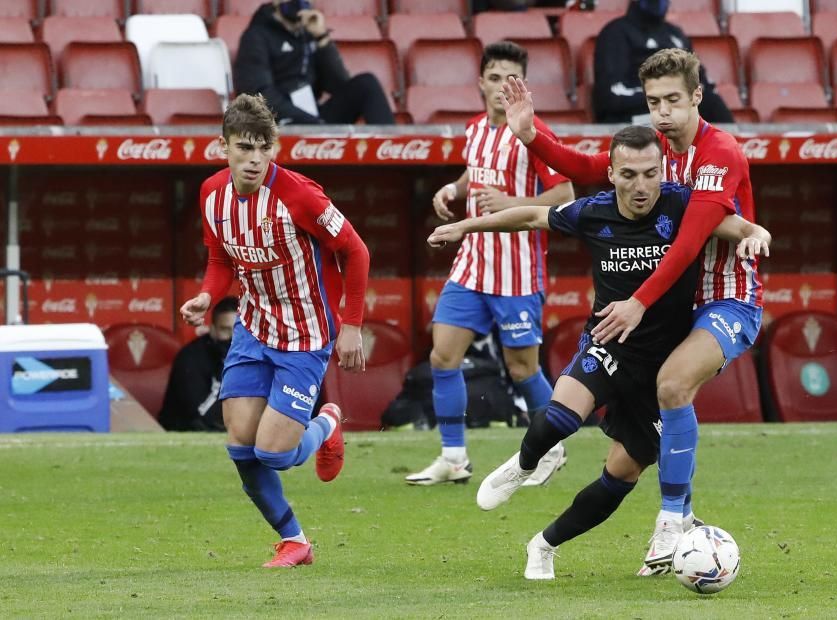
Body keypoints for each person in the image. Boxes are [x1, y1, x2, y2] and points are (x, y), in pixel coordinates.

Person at [427, 126, 769, 580]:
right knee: (562, 416)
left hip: (660, 368)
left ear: (662, 171)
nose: (640, 185)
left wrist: (754, 232)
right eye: (628, 174)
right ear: (611, 174)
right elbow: (531, 217)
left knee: (620, 477)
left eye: (650, 173)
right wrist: (464, 226)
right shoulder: (594, 211)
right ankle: (525, 464)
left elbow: (733, 224)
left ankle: (543, 545)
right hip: (608, 342)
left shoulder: (682, 205)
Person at [501, 47, 762, 575]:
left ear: (696, 97)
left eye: (673, 100)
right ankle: (666, 528)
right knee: (627, 459)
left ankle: (671, 520)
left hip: (724, 299)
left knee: (673, 387)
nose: (662, 112)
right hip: (667, 316)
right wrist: (532, 135)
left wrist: (638, 301)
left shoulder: (720, 154)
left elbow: (689, 243)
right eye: (653, 101)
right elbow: (585, 168)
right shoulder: (654, 154)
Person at [179, 93, 370, 568]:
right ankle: (295, 541)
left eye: (265, 147)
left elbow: (356, 251)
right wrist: (207, 295)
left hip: (305, 334)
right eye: (245, 147)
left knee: (275, 454)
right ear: (223, 146)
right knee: (241, 447)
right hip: (254, 326)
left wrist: (351, 325)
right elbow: (222, 259)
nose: (255, 159)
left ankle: (326, 423)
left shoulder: (300, 195)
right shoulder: (211, 195)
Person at [404, 41, 576, 487]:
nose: (503, 86)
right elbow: (474, 172)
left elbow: (566, 197)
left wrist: (511, 203)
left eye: (512, 78)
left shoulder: (535, 133)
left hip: (516, 270)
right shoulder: (476, 129)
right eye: (496, 76)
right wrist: (453, 190)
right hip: (472, 265)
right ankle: (454, 458)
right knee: (443, 356)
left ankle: (552, 448)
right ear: (481, 82)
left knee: (522, 368)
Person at [234, 0, 395, 126]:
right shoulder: (256, 36)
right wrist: (309, 121)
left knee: (366, 84)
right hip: (278, 122)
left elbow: (339, 84)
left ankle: (392, 150)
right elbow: (259, 94)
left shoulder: (308, 35)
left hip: (315, 117)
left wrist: (322, 38)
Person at [592, 0, 733, 125]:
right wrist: (667, 96)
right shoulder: (615, 33)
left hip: (678, 114)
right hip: (635, 119)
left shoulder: (676, 35)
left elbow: (701, 83)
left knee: (712, 105)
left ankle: (738, 149)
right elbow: (610, 98)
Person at [159, 296, 239, 431]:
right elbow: (202, 416)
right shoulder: (191, 357)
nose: (233, 338)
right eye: (225, 330)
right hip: (183, 433)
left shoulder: (253, 357)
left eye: (239, 331)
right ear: (213, 329)